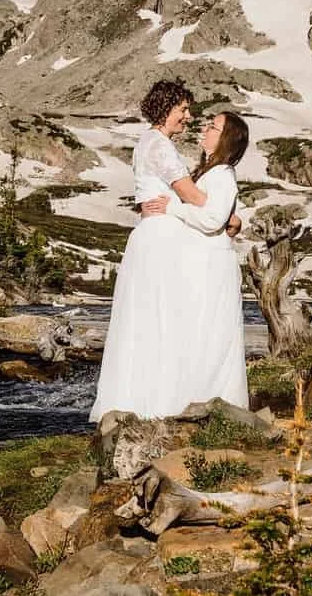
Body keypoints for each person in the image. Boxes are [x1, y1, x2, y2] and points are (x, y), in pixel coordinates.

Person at [91, 86, 250, 420]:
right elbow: (194, 197)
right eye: (183, 109)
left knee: (162, 321)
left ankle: (158, 399)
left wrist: (228, 216)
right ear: (166, 108)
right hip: (161, 239)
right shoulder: (159, 145)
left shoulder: (154, 143)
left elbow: (195, 203)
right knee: (161, 320)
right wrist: (228, 217)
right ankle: (156, 403)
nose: (189, 117)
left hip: (163, 236)